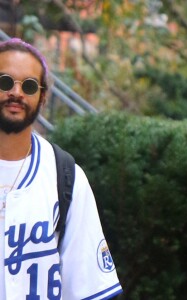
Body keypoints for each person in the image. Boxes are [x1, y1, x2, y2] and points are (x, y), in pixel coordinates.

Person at [0, 38, 122, 299]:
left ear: (43, 97)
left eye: (29, 86)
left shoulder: (65, 176)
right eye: (5, 82)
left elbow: (88, 286)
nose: (16, 93)